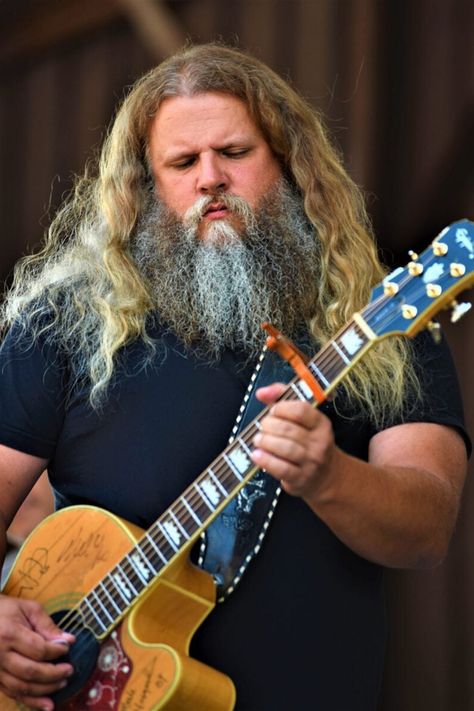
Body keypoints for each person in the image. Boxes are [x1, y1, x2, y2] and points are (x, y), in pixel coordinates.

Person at [0, 43, 469, 711]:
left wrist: (330, 477)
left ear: (286, 162)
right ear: (147, 185)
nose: (210, 177)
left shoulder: (376, 319)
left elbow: (427, 528)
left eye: (236, 153)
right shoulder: (67, 325)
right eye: (183, 162)